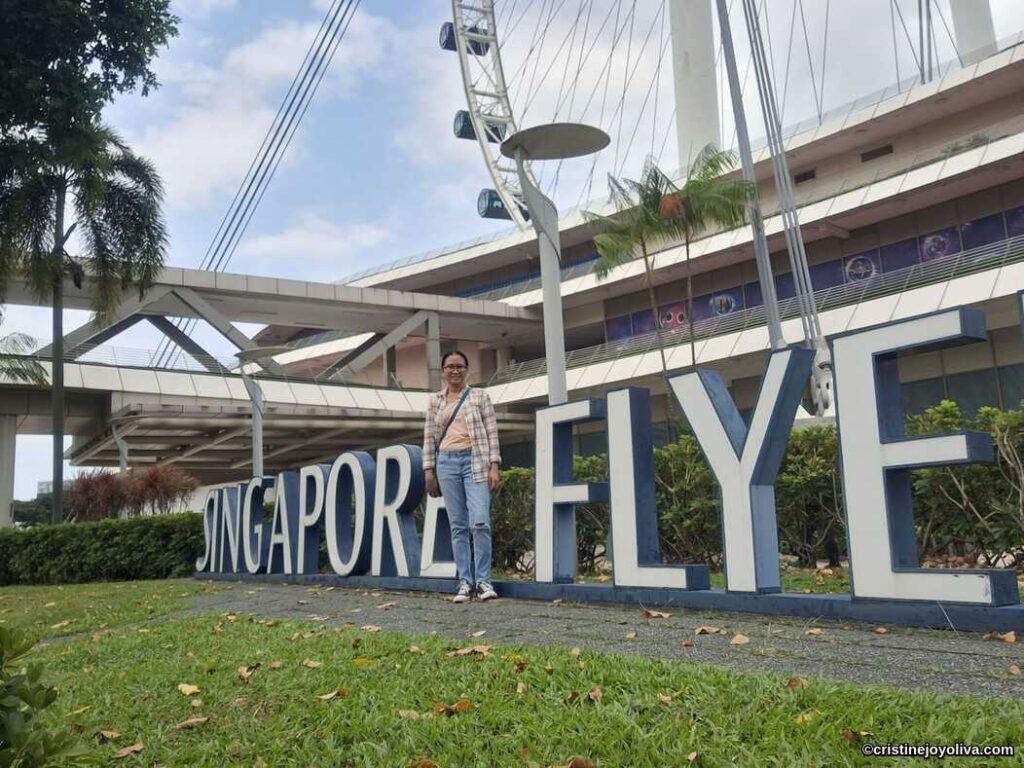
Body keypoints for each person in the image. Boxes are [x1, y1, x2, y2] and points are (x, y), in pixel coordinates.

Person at [423, 351, 501, 603]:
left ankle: (484, 581)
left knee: (480, 522)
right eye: (450, 367)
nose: (455, 371)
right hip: (446, 462)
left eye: (459, 366)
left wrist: (494, 465)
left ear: (467, 370)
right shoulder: (435, 401)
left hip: (475, 461)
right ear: (443, 371)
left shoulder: (479, 396)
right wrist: (429, 471)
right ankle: (465, 583)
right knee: (457, 526)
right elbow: (429, 438)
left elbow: (492, 432)